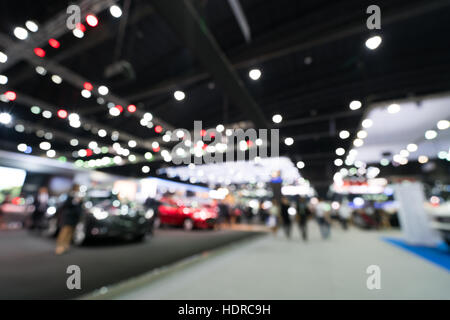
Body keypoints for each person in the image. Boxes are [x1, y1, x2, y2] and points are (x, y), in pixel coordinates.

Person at [55, 184, 82, 255]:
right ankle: (59, 246)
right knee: (64, 231)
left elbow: (80, 207)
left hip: (75, 217)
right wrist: (74, 201)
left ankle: (66, 245)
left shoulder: (79, 196)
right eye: (77, 188)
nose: (78, 189)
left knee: (71, 231)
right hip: (68, 217)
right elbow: (65, 206)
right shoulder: (69, 196)